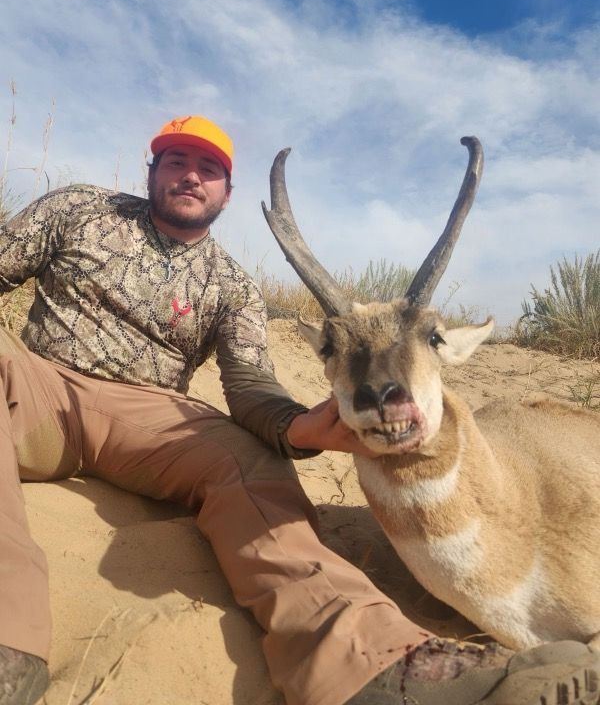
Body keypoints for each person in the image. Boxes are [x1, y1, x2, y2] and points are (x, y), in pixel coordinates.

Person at [0, 115, 598, 705]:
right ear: (152, 170)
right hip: (32, 382)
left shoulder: (232, 285)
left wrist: (296, 427)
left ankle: (379, 665)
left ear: (227, 192)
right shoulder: (80, 209)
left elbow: (247, 384)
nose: (191, 176)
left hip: (150, 417)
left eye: (208, 169)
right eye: (177, 161)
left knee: (253, 465)